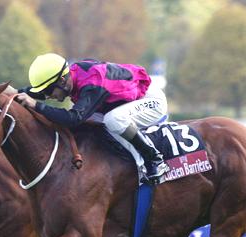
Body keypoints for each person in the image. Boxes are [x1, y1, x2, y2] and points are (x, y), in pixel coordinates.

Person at [12, 53, 170, 184]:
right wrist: (12, 92)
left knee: (113, 119)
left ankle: (154, 159)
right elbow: (39, 93)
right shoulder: (70, 76)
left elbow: (73, 118)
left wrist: (36, 105)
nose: (47, 97)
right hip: (124, 102)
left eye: (48, 91)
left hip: (151, 101)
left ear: (62, 81)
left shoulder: (92, 83)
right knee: (93, 120)